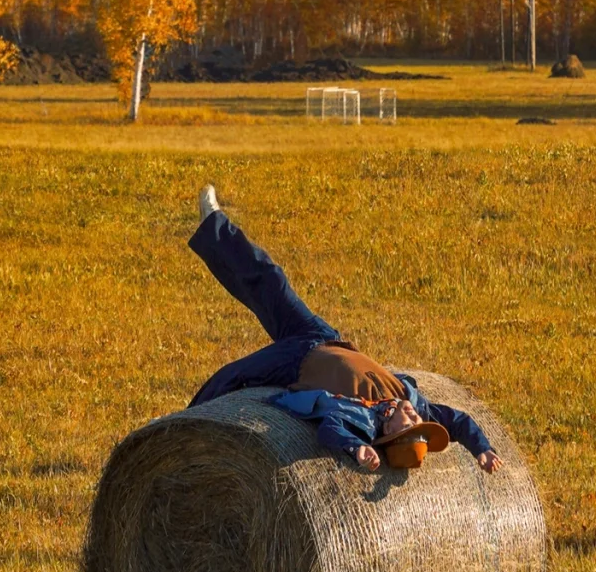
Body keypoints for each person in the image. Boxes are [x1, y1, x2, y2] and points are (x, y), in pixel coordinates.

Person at [188, 186, 504, 474]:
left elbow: (331, 429)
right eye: (419, 422)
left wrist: (358, 448)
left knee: (230, 377)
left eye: (409, 424)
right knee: (270, 279)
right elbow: (459, 422)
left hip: (295, 362)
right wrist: (482, 448)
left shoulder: (361, 420)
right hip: (323, 335)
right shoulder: (416, 404)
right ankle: (213, 223)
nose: (415, 417)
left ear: (391, 433)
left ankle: (180, 427)